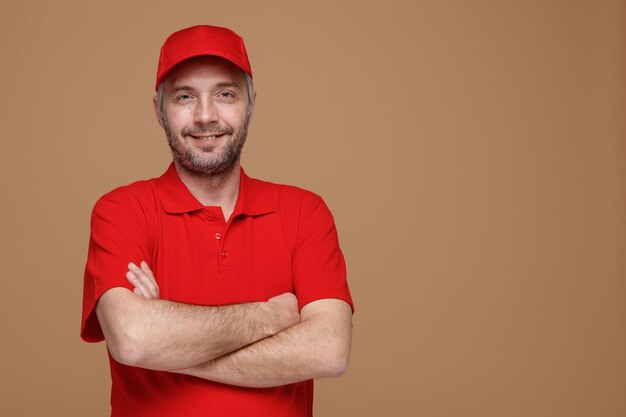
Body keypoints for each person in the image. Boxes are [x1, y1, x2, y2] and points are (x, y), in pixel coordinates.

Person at [80, 24, 354, 417]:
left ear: (251, 104)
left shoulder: (304, 212)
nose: (205, 116)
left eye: (225, 94)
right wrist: (270, 317)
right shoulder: (122, 210)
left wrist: (170, 345)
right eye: (185, 96)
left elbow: (329, 351)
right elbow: (134, 340)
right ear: (159, 110)